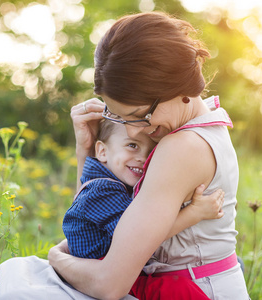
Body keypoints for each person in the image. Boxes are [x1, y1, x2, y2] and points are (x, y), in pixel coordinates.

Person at [48, 11, 250, 300]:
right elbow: (91, 217)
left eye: (136, 116)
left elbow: (108, 284)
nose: (131, 133)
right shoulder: (197, 125)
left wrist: (56, 257)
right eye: (117, 117)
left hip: (190, 291)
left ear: (178, 89)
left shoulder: (182, 148)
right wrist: (89, 149)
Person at [63, 119, 225, 260]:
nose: (143, 158)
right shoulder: (101, 190)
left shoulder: (111, 180)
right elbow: (138, 236)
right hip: (103, 268)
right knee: (179, 291)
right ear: (102, 151)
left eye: (151, 152)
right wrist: (195, 212)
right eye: (132, 145)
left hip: (114, 263)